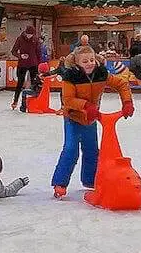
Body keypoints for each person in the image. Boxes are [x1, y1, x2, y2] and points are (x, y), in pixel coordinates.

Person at [52, 46, 134, 199]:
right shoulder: (70, 76)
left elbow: (122, 84)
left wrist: (127, 102)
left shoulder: (101, 73)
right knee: (71, 150)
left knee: (92, 151)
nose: (89, 63)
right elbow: (68, 100)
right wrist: (86, 106)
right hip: (73, 118)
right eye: (85, 61)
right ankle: (60, 183)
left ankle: (90, 180)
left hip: (91, 118)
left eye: (91, 60)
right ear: (77, 63)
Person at [11, 25, 41, 109]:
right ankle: (15, 101)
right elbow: (13, 51)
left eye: (31, 35)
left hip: (33, 64)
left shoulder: (36, 40)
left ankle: (35, 102)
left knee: (34, 83)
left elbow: (38, 52)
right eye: (28, 34)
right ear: (25, 33)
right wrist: (20, 56)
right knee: (20, 83)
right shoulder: (20, 39)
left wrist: (38, 64)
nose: (29, 36)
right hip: (22, 64)